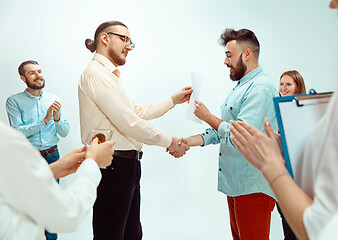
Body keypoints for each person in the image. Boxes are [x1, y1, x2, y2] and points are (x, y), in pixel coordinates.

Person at [229, 0, 338, 239]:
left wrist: (271, 166)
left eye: (288, 84)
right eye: (282, 84)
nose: (331, 5)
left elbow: (325, 229)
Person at [79, 21, 192, 240]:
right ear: (105, 38)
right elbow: (128, 122)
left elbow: (136, 111)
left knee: (132, 234)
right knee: (110, 235)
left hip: (126, 166)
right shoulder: (96, 74)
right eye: (124, 39)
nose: (129, 46)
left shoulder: (110, 75)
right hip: (112, 166)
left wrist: (173, 100)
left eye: (131, 42)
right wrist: (170, 142)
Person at [174, 28, 278, 239]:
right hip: (236, 185)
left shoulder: (260, 88)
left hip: (253, 187)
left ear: (247, 54)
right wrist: (187, 141)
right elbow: (219, 130)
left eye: (229, 55)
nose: (225, 61)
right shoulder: (241, 87)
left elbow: (239, 134)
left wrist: (207, 116)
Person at [0, 120, 114, 240]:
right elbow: (67, 215)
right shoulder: (5, 139)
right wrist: (92, 163)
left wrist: (52, 170)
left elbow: (9, 186)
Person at [6, 60, 70, 239]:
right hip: (29, 158)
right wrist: (45, 120)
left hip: (52, 156)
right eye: (32, 73)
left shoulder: (54, 100)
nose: (38, 75)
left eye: (39, 71)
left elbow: (64, 132)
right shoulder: (14, 101)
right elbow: (17, 132)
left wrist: (56, 119)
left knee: (51, 204)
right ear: (23, 77)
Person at [277, 70, 307, 240]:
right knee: (286, 224)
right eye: (281, 83)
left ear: (298, 88)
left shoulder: (301, 111)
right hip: (282, 177)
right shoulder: (278, 110)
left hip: (298, 179)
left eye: (289, 84)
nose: (283, 87)